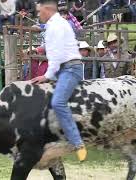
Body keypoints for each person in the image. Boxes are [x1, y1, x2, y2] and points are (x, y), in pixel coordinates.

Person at [31, 0, 87, 162]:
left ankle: (78, 143)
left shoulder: (55, 26)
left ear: (47, 9)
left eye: (39, 11)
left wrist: (47, 76)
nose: (38, 14)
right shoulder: (57, 24)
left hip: (69, 69)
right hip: (65, 69)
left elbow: (56, 55)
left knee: (58, 103)